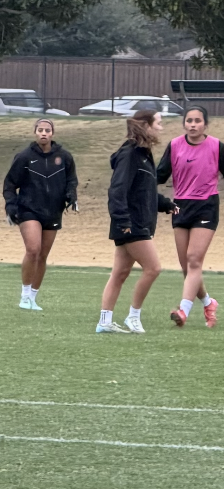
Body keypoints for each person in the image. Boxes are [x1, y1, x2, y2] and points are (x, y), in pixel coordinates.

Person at [97, 109, 175, 334]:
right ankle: (133, 317)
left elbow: (144, 192)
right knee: (153, 268)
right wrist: (123, 221)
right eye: (158, 123)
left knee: (120, 274)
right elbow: (117, 191)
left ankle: (105, 322)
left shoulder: (143, 154)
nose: (161, 127)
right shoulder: (130, 154)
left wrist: (166, 204)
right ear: (146, 125)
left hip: (135, 222)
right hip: (131, 224)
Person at [156, 105, 223, 327]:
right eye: (189, 120)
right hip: (180, 207)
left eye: (197, 121)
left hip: (206, 206)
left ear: (205, 124)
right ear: (184, 123)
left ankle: (183, 311)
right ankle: (208, 302)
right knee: (187, 266)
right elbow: (159, 175)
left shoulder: (216, 146)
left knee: (194, 259)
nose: (193, 124)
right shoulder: (174, 145)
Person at [2, 118, 78, 310]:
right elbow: (10, 185)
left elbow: (71, 181)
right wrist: (11, 206)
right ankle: (24, 296)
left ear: (53, 133)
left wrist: (71, 196)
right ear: (35, 133)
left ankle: (33, 298)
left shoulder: (64, 157)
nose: (44, 133)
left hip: (53, 211)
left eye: (47, 130)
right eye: (40, 130)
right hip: (29, 209)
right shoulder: (24, 157)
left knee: (43, 255)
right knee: (33, 250)